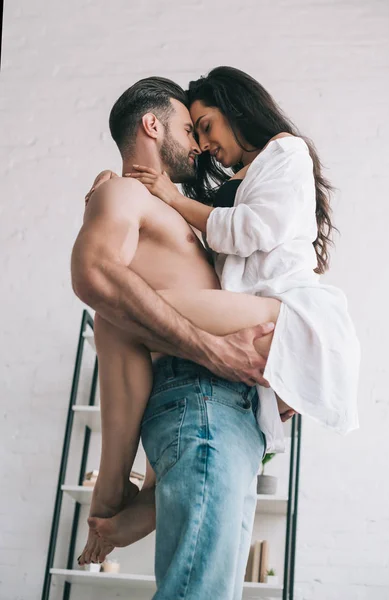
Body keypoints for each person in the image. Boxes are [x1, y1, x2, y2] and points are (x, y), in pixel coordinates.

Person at [71, 76, 294, 599]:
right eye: (188, 129)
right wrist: (212, 348)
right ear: (152, 125)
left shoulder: (178, 214)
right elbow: (94, 274)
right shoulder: (123, 192)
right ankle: (115, 494)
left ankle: (126, 501)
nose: (197, 145)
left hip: (227, 413)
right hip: (204, 403)